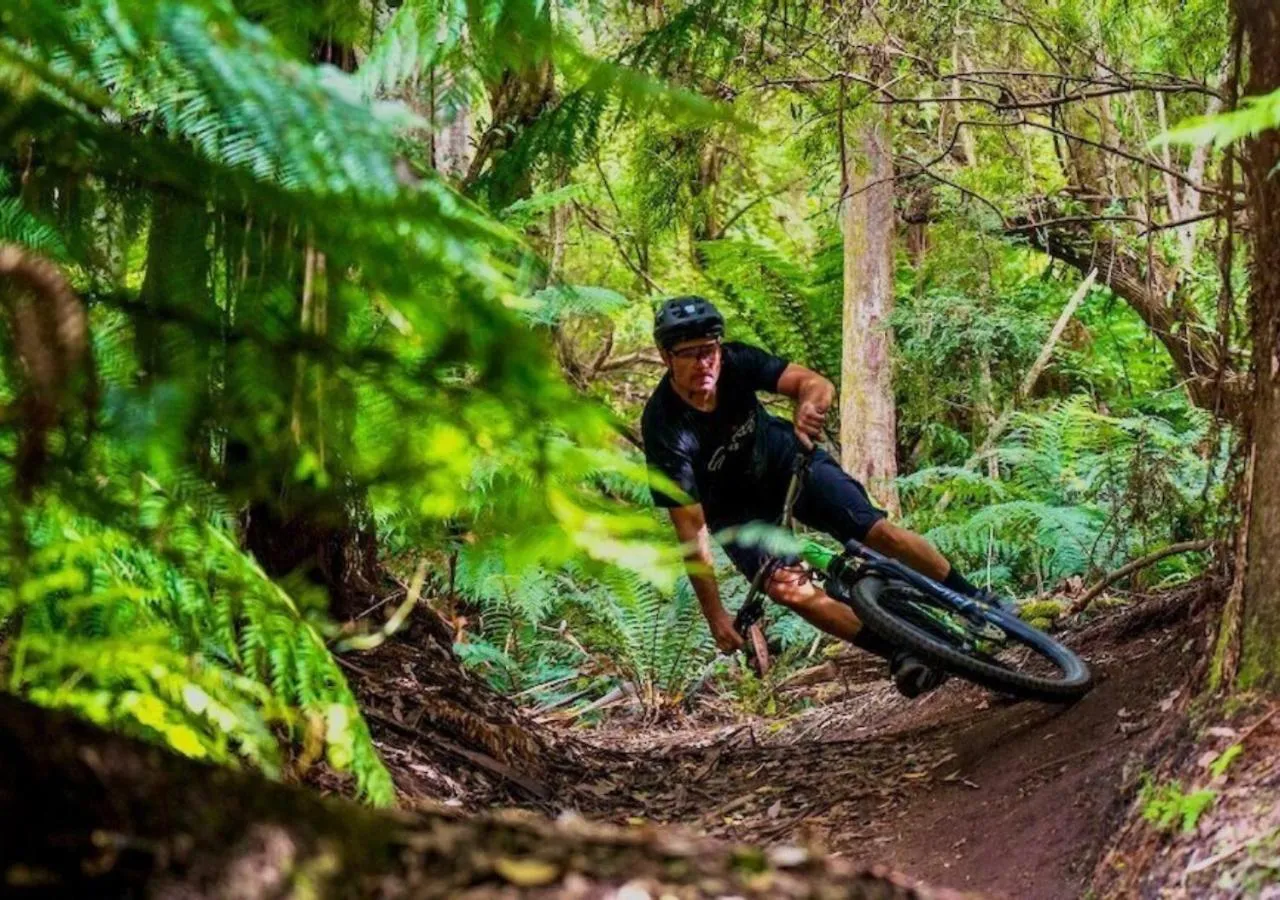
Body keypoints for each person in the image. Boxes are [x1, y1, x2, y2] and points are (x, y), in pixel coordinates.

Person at [641, 295, 990, 698]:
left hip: (786, 462)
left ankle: (977, 601)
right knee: (790, 590)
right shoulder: (664, 427)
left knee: (877, 533)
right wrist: (715, 614)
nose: (705, 363)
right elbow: (691, 529)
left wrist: (809, 405)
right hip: (737, 513)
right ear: (666, 357)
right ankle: (900, 651)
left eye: (709, 350)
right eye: (690, 354)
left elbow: (814, 383)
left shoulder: (737, 362)